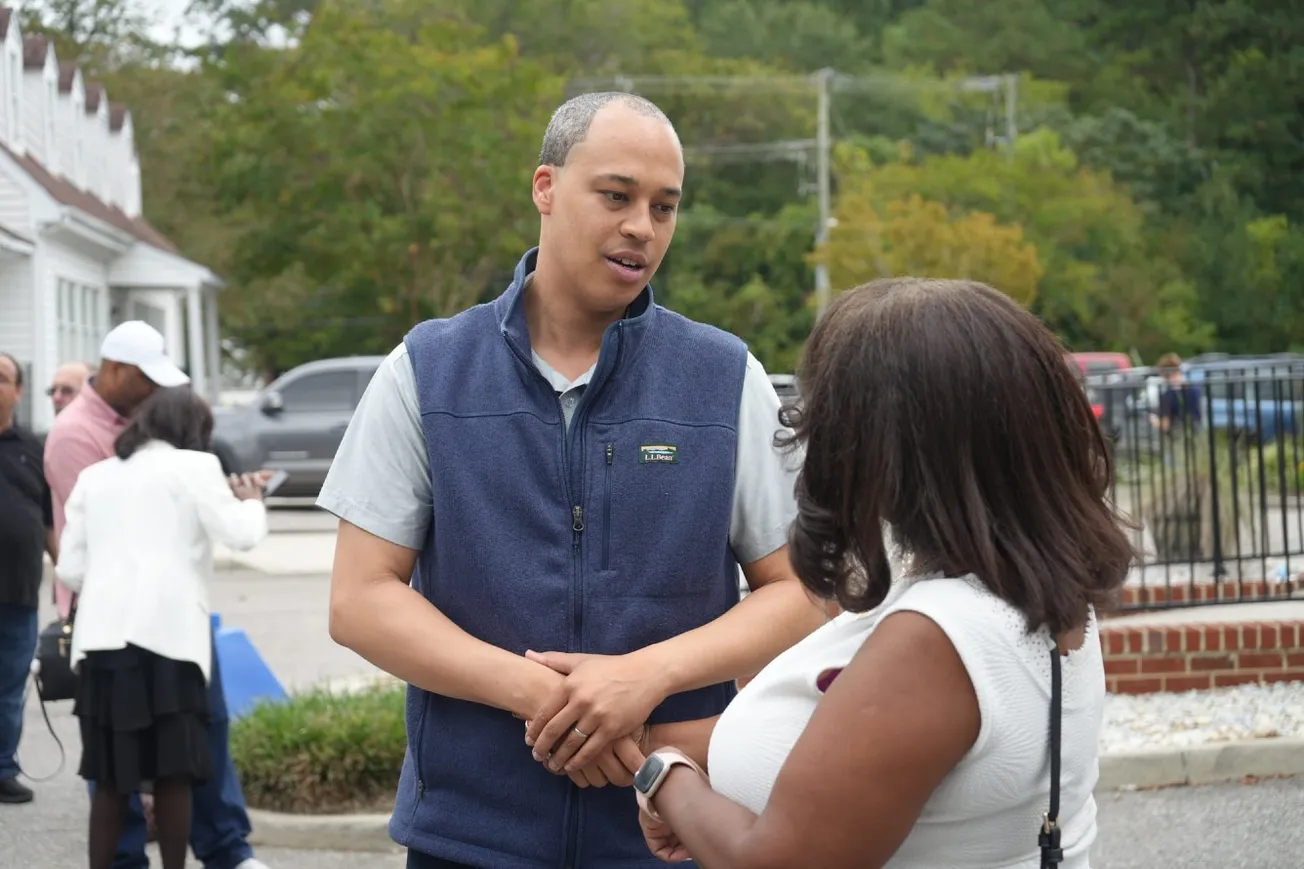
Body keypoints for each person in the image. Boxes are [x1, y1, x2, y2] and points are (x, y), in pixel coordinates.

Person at [321, 91, 827, 868]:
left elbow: (799, 590)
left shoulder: (725, 377)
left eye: (665, 207)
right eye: (617, 196)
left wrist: (643, 677)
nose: (642, 227)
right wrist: (550, 700)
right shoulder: (426, 370)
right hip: (468, 834)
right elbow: (361, 600)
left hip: (671, 831)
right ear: (546, 189)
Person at [631, 278, 1137, 868]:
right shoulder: (1036, 587)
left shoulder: (937, 639)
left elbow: (773, 861)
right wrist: (648, 738)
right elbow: (869, 745)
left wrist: (664, 777)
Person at [44, 321, 270, 869]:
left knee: (112, 781)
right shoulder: (197, 467)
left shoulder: (98, 476)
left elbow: (70, 567)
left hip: (102, 647)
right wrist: (253, 502)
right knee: (173, 774)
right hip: (171, 644)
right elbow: (241, 536)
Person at [0, 351, 59, 805]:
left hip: (18, 594)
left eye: (3, 378)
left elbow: (47, 523)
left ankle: (3, 767)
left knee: (10, 689)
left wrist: (68, 584)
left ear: (18, 391)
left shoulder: (33, 448)